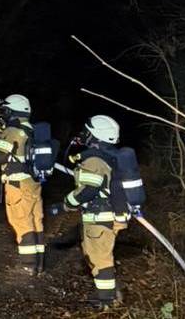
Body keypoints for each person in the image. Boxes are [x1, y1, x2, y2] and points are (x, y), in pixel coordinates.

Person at [49, 115, 126, 309]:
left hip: (99, 219)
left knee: (99, 258)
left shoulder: (94, 161)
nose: (84, 134)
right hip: (106, 217)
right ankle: (108, 295)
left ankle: (106, 301)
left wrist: (65, 204)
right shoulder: (108, 157)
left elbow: (88, 191)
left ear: (96, 135)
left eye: (87, 131)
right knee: (100, 256)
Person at [0, 94, 45, 274]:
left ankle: (27, 265)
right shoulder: (30, 130)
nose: (3, 114)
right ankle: (38, 263)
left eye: (5, 110)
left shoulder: (11, 131)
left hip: (17, 185)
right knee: (36, 222)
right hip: (33, 184)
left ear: (12, 111)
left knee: (21, 222)